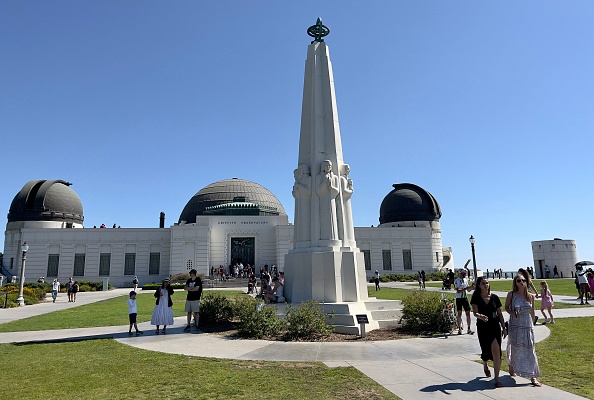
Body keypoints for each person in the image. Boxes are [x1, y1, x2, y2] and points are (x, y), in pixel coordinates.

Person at [505, 273, 542, 386]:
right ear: (515, 283)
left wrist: (532, 326)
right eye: (519, 281)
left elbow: (532, 312)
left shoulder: (530, 296)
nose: (522, 283)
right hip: (515, 325)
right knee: (515, 348)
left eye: (523, 281)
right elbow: (506, 308)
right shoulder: (511, 294)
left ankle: (533, 376)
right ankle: (512, 365)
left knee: (530, 350)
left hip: (527, 326)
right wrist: (513, 313)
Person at [470, 276, 507, 388]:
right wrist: (480, 316)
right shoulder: (476, 297)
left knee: (497, 353)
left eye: (487, 283)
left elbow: (499, 313)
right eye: (483, 283)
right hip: (483, 327)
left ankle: (496, 379)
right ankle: (485, 363)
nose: (486, 285)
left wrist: (504, 327)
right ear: (479, 286)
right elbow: (475, 312)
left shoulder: (495, 297)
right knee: (486, 351)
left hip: (495, 326)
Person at [454, 269, 474, 335]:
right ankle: (459, 329)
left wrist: (471, 287)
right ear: (460, 274)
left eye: (465, 273)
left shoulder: (465, 280)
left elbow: (468, 290)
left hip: (465, 298)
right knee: (459, 313)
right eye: (463, 273)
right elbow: (458, 290)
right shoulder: (456, 281)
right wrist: (466, 288)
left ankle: (469, 328)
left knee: (468, 313)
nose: (464, 275)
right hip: (459, 298)